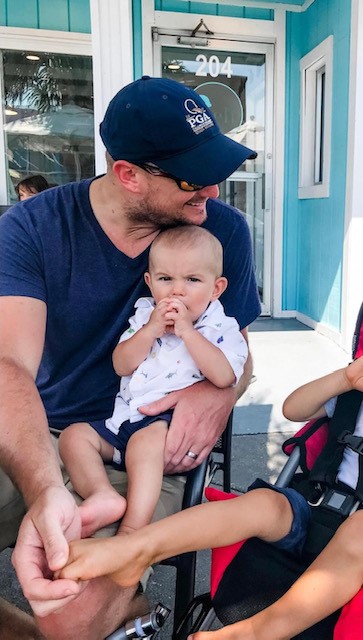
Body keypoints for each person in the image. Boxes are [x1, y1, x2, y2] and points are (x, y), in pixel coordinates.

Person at [57, 236, 363, 640]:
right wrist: (345, 378)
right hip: (322, 511)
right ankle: (137, 548)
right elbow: (294, 410)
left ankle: (255, 633)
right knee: (267, 501)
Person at [0, 75, 260, 639]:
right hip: (34, 427)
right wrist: (46, 485)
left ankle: (115, 604)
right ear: (129, 176)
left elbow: (240, 353)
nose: (212, 193)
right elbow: (9, 369)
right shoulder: (31, 228)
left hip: (144, 435)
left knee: (67, 611)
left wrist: (216, 391)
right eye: (194, 178)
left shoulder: (221, 232)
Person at [59, 225, 248, 537]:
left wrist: (188, 331)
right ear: (149, 282)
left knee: (144, 447)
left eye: (192, 280)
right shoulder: (144, 315)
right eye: (165, 279)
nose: (177, 291)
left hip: (168, 426)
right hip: (125, 418)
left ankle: (132, 528)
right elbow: (121, 364)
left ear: (216, 288)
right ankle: (101, 494)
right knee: (74, 437)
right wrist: (149, 331)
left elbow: (224, 375)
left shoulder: (220, 327)